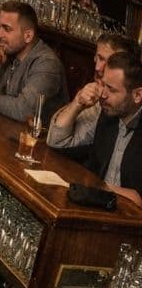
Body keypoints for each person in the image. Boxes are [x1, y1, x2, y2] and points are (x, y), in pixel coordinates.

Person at [47, 51, 142, 205]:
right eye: (103, 84)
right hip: (96, 205)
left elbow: (138, 199)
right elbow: (56, 142)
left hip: (127, 215)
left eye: (111, 89)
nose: (103, 94)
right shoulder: (107, 113)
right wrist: (78, 103)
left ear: (137, 95)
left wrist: (95, 186)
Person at [0, 1, 66, 122]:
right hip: (1, 128)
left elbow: (25, 110)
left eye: (7, 29)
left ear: (28, 36)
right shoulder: (4, 51)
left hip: (30, 134)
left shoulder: (48, 63)